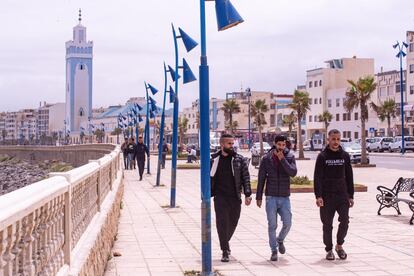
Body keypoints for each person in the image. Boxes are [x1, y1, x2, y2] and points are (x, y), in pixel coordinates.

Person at [313, 129, 354, 261]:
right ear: (328, 140)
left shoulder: (345, 156)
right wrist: (318, 196)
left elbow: (349, 177)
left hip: (342, 195)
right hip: (327, 197)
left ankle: (339, 245)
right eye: (333, 139)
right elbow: (317, 178)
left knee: (345, 221)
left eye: (338, 139)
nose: (336, 142)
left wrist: (351, 195)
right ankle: (329, 249)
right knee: (327, 225)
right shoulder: (322, 156)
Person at [210, 134, 252, 262]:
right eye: (229, 144)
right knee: (221, 223)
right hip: (220, 197)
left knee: (233, 221)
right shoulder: (213, 160)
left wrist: (248, 194)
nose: (231, 146)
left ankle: (224, 241)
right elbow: (207, 177)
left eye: (232, 144)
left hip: (235, 197)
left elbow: (246, 177)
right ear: (222, 144)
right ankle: (225, 250)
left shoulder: (239, 159)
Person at [256, 135, 297, 262]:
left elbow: (293, 173)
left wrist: (283, 160)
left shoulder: (289, 156)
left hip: (284, 197)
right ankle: (273, 250)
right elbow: (261, 178)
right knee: (272, 225)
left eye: (283, 145)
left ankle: (280, 240)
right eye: (279, 145)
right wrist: (259, 197)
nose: (281, 147)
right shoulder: (266, 158)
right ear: (275, 144)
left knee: (288, 223)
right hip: (271, 197)